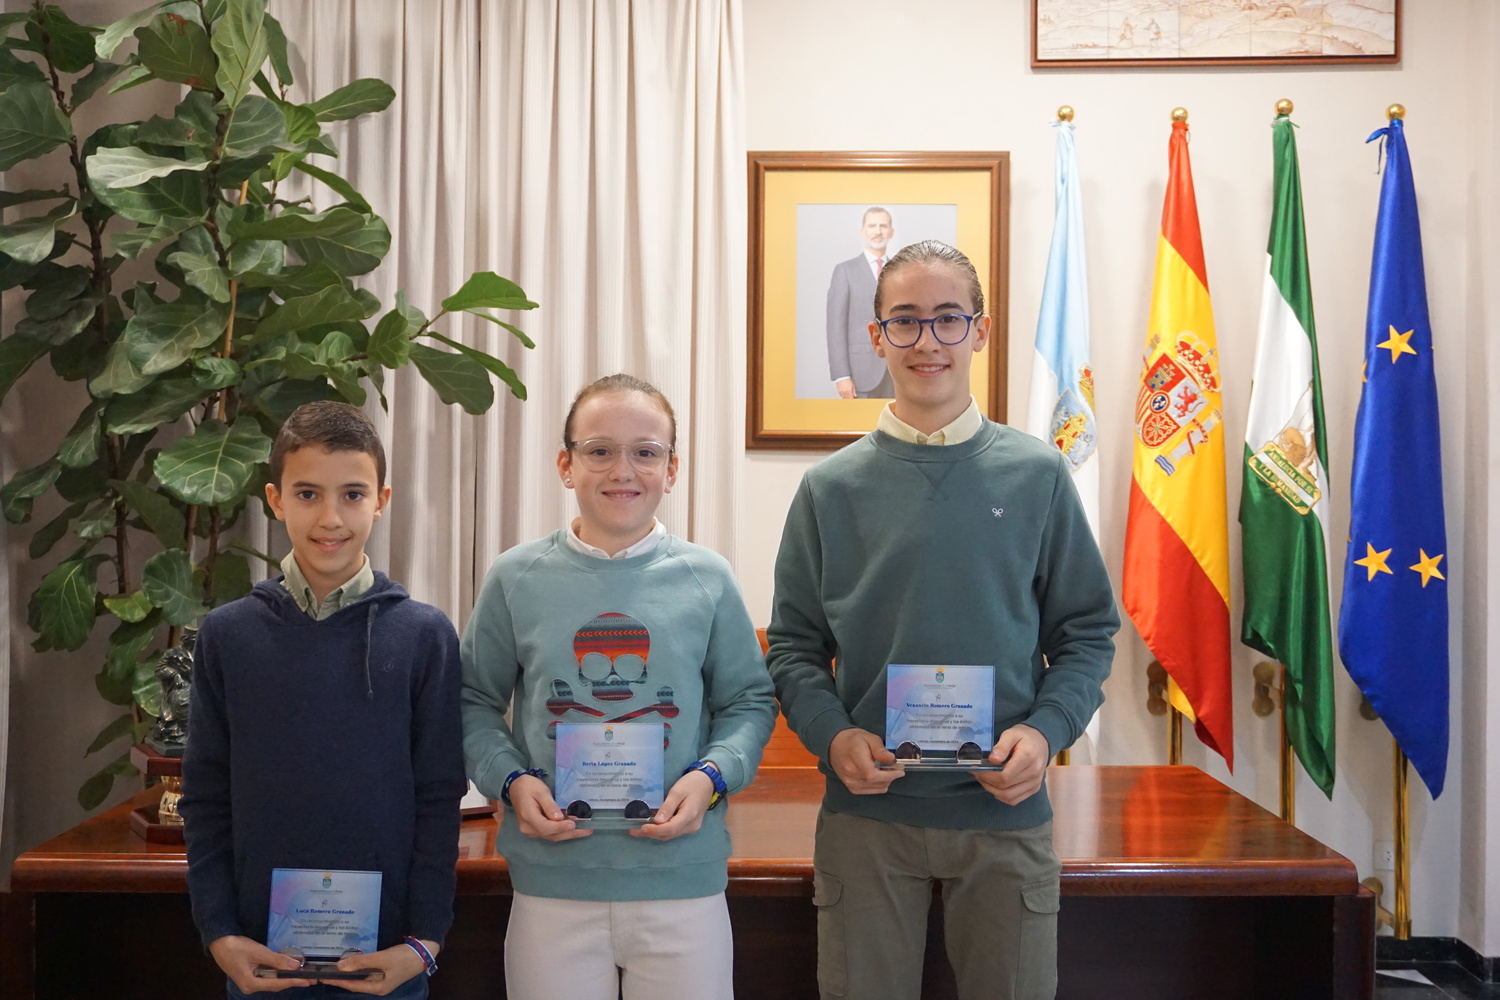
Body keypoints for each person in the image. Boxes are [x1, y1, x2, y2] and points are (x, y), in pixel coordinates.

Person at [767, 241, 1119, 1000]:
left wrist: (1045, 732)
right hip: (866, 818)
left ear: (980, 331)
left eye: (948, 318)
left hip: (1004, 813)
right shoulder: (830, 488)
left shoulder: (1037, 475)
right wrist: (833, 737)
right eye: (905, 320)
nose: (927, 340)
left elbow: (1087, 633)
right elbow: (794, 648)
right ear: (876, 337)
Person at [461, 373, 776, 1000]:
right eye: (599, 450)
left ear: (672, 469)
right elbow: (472, 700)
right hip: (552, 882)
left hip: (682, 881)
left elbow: (749, 701)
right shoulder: (516, 578)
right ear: (566, 465)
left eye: (645, 452)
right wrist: (510, 780)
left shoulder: (707, 578)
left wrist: (711, 778)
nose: (622, 470)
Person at [181, 401, 466, 998]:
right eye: (307, 494)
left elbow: (440, 796)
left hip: (389, 962)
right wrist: (219, 932)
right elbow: (205, 796)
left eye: (353, 494)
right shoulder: (227, 636)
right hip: (261, 962)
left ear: (381, 500)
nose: (330, 518)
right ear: (275, 499)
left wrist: (425, 940)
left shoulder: (424, 636)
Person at [826, 207, 897, 399]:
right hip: (861, 373)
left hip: (896, 371)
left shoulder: (901, 271)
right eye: (872, 226)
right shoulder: (845, 271)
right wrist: (842, 375)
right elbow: (835, 327)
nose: (878, 231)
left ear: (891, 232)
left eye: (883, 226)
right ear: (863, 231)